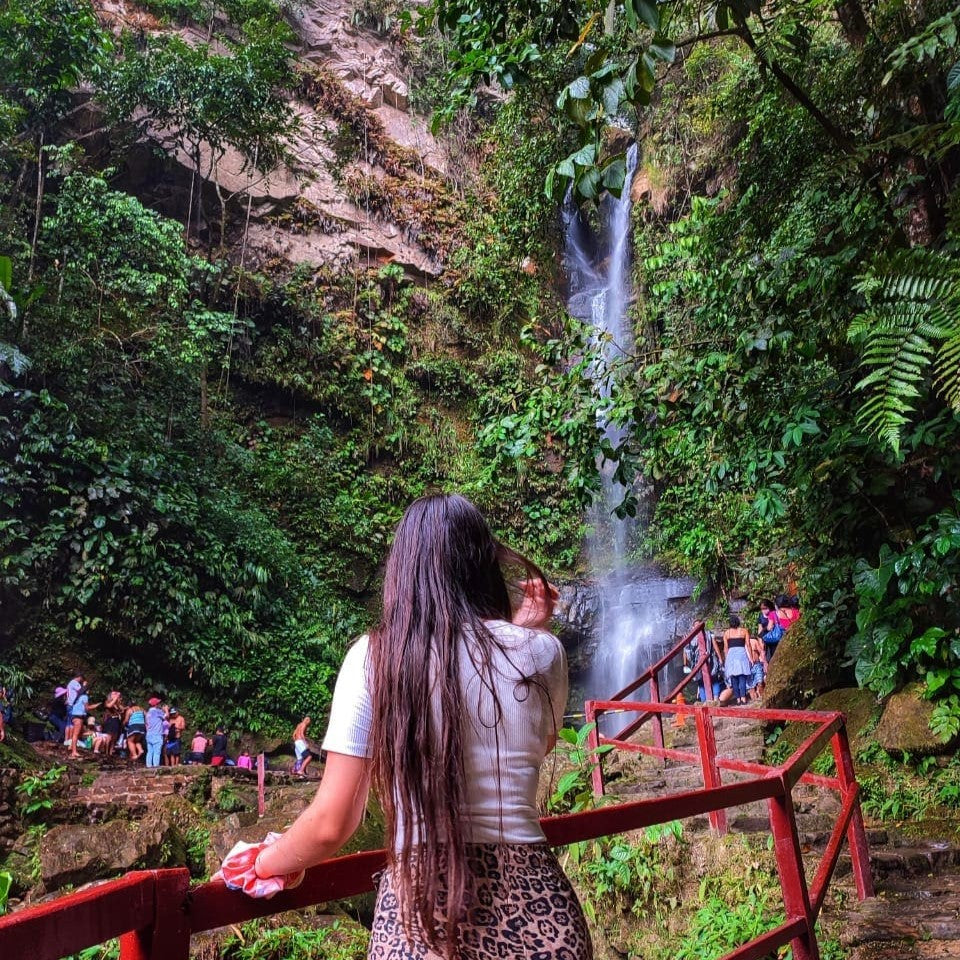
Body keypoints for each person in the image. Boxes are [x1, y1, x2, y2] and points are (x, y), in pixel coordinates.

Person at [234, 493, 591, 960]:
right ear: (485, 565)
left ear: (405, 572)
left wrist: (263, 862)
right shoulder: (542, 652)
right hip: (542, 920)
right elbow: (534, 746)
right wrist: (524, 629)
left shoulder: (375, 658)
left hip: (421, 923)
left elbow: (331, 824)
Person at [683, 629, 724, 702]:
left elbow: (715, 645)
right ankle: (705, 700)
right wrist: (685, 663)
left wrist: (720, 658)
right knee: (702, 681)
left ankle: (714, 699)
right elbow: (686, 650)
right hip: (698, 662)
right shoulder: (691, 636)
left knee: (713, 679)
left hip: (709, 660)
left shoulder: (708, 634)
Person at [722, 615, 754, 706]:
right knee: (742, 677)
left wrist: (726, 661)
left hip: (731, 655)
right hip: (741, 653)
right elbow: (748, 645)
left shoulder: (727, 633)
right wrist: (751, 658)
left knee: (734, 678)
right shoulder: (744, 631)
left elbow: (725, 648)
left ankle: (738, 699)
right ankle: (744, 698)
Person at [68, 684, 101, 758]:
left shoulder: (78, 697)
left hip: (74, 716)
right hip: (78, 716)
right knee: (76, 734)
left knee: (78, 733)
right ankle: (74, 751)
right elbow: (87, 708)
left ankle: (71, 746)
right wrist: (96, 705)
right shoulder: (85, 697)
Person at [144, 697, 166, 768]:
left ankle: (148, 766)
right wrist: (166, 710)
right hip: (156, 734)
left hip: (149, 734)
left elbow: (146, 725)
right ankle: (156, 767)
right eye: (158, 703)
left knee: (150, 752)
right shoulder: (157, 711)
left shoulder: (148, 713)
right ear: (156, 705)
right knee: (157, 752)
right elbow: (166, 716)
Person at [747, 632, 766, 702]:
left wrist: (764, 661)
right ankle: (754, 702)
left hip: (757, 664)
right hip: (747, 667)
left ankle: (762, 700)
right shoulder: (741, 644)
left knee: (760, 683)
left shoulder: (754, 641)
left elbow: (761, 651)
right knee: (751, 688)